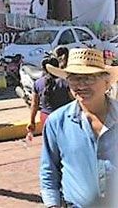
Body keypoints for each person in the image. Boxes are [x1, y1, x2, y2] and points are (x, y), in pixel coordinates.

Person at [40, 48, 118, 207]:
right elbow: (49, 172)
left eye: (89, 78)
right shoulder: (57, 122)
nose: (81, 85)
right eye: (74, 78)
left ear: (106, 83)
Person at [27, 55, 72, 131]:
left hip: (46, 118)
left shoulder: (37, 83)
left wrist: (32, 121)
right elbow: (74, 100)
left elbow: (34, 105)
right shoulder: (65, 82)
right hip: (64, 117)